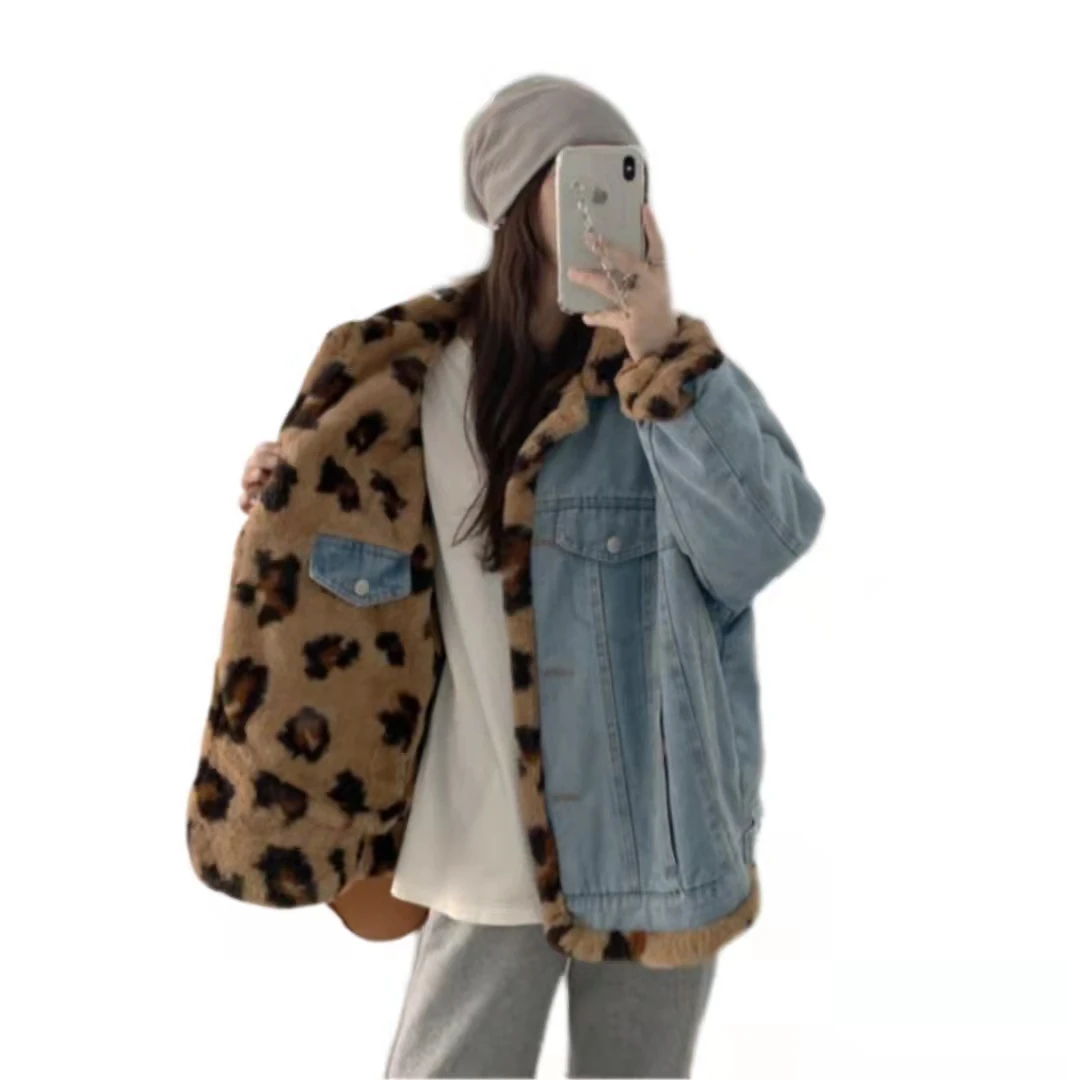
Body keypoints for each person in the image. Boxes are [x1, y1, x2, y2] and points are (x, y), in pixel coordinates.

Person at [229, 74, 825, 1078]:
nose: (612, 197)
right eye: (580, 173)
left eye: (628, 175)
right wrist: (292, 496)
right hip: (484, 832)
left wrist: (656, 353)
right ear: (516, 198)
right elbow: (361, 586)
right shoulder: (408, 372)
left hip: (656, 829)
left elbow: (763, 540)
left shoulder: (666, 374)